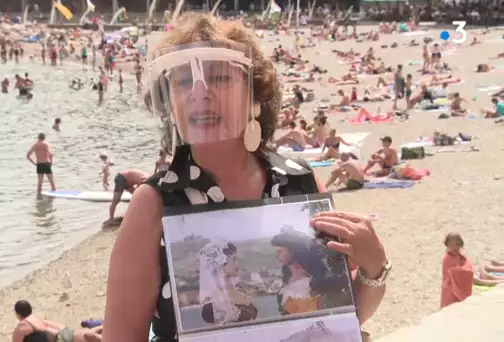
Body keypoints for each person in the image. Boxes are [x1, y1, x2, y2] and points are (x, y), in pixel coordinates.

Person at [102, 13, 389, 342]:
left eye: (219, 77)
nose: (199, 92)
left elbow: (340, 318)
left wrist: (374, 266)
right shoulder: (154, 205)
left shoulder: (300, 183)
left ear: (254, 97)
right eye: (182, 80)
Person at [198, 242, 257, 324]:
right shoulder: (214, 303)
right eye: (233, 259)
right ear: (221, 264)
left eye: (237, 259)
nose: (237, 263)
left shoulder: (240, 290)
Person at [11, 300, 103, 342]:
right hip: (66, 332)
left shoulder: (23, 325)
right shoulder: (36, 319)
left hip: (62, 337)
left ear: (18, 314)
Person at [441, 233, 473, 308]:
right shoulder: (447, 259)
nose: (454, 247)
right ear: (447, 245)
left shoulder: (461, 256)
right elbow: (450, 274)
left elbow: (467, 267)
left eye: (457, 244)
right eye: (451, 244)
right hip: (450, 288)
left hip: (460, 285)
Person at [26, 133, 56, 199]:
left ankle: (39, 198)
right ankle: (53, 199)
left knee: (39, 184)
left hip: (39, 165)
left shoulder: (35, 145)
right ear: (44, 138)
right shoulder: (45, 144)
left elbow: (28, 156)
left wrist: (34, 163)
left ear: (38, 138)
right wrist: (51, 163)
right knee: (52, 183)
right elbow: (51, 154)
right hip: (46, 164)